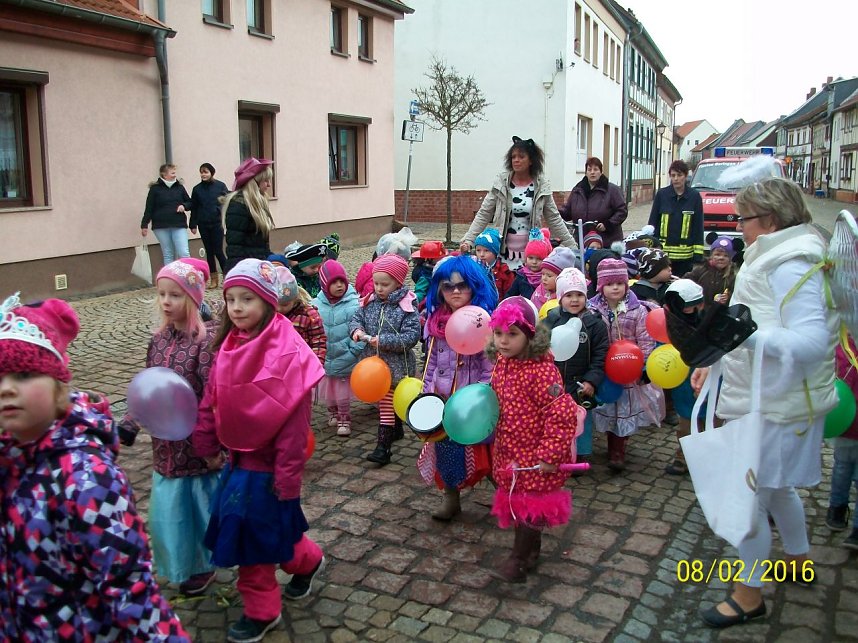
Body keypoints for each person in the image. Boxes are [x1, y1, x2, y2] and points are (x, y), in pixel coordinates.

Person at [690, 178, 838, 628]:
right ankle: (797, 558)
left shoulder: (792, 263)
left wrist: (746, 339)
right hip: (765, 396)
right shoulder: (774, 256)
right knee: (773, 487)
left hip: (775, 401)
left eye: (744, 218)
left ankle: (749, 594)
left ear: (770, 220)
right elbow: (752, 321)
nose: (738, 227)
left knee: (748, 494)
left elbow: (812, 340)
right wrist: (715, 362)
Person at [0, 293, 190, 640]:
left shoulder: (86, 476)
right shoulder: (9, 462)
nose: (7, 389)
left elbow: (128, 582)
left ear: (59, 387)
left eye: (24, 375)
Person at [193, 259, 326, 642]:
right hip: (237, 466)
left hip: (269, 470)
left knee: (257, 544)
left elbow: (293, 428)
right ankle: (309, 561)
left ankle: (262, 610)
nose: (236, 308)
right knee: (271, 537)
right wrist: (206, 443)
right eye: (230, 299)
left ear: (268, 302)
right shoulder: (229, 348)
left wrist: (287, 479)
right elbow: (212, 399)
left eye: (246, 299)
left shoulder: (289, 355)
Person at [117, 260, 221, 596]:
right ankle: (178, 561)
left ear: (192, 298)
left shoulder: (205, 343)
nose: (165, 301)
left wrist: (212, 445)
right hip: (165, 447)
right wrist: (130, 423)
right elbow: (150, 389)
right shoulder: (158, 340)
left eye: (174, 295)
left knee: (197, 511)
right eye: (161, 294)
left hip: (196, 447)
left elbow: (211, 397)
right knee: (169, 514)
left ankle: (204, 565)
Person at [485, 296, 580, 582]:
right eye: (499, 333)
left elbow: (561, 414)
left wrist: (549, 455)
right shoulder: (503, 363)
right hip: (510, 450)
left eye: (512, 334)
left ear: (529, 335)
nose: (503, 341)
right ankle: (531, 552)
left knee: (531, 506)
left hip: (536, 454)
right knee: (519, 505)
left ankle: (518, 561)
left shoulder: (541, 370)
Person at [416, 255, 497, 520]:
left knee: (488, 454)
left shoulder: (483, 322)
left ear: (474, 285)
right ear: (439, 289)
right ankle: (451, 498)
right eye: (449, 286)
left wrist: (481, 396)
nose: (456, 291)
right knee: (447, 453)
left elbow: (491, 367)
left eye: (463, 285)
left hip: (474, 405)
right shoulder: (435, 323)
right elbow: (430, 363)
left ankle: (506, 498)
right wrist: (427, 394)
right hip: (444, 402)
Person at [588, 258, 664, 470]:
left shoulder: (637, 310)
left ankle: (618, 450)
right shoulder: (593, 310)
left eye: (620, 283)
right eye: (610, 284)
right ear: (602, 286)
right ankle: (611, 440)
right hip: (604, 369)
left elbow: (646, 338)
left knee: (623, 410)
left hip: (629, 368)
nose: (615, 288)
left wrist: (645, 365)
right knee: (609, 407)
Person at [459, 137, 577, 270]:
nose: (516, 160)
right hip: (502, 254)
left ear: (531, 160)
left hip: (530, 257)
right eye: (513, 156)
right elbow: (484, 213)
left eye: (521, 157)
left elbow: (554, 218)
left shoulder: (541, 186)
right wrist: (468, 240)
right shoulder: (501, 183)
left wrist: (572, 246)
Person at [349, 254, 421, 465]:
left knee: (387, 403)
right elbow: (356, 318)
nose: (379, 288)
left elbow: (411, 336)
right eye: (376, 283)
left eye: (385, 284)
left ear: (398, 282)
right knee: (386, 403)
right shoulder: (370, 302)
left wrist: (382, 340)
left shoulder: (406, 307)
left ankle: (383, 448)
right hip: (372, 365)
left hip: (395, 366)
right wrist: (356, 330)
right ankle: (396, 429)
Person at [543, 268, 609, 463]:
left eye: (579, 295)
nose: (574, 300)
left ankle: (581, 452)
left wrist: (592, 380)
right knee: (555, 418)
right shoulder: (551, 320)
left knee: (581, 417)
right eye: (569, 295)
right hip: (555, 381)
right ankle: (558, 452)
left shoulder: (594, 324)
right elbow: (539, 348)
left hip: (581, 383)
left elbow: (601, 354)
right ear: (560, 296)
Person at [312, 260, 365, 436]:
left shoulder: (353, 304)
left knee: (342, 392)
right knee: (328, 390)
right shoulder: (316, 305)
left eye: (342, 281)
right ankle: (332, 412)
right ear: (325, 285)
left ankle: (344, 417)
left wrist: (353, 350)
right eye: (334, 282)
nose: (339, 285)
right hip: (326, 357)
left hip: (345, 356)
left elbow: (361, 328)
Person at [826, 333, 858, 550]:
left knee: (842, 467)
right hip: (847, 419)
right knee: (842, 467)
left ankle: (837, 511)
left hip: (846, 419)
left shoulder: (845, 340)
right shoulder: (845, 341)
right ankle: (842, 515)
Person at [647, 160, 704, 277]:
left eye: (679, 175)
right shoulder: (662, 195)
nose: (676, 179)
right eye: (673, 175)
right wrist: (652, 246)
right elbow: (653, 222)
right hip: (663, 254)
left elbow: (698, 225)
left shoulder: (694, 197)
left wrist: (698, 253)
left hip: (685, 257)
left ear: (686, 176)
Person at [560, 157, 628, 246]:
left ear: (601, 172)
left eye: (595, 169)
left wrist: (608, 224)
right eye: (589, 169)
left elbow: (622, 211)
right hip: (582, 241)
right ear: (586, 173)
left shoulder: (612, 190)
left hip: (607, 242)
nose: (592, 172)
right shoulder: (577, 190)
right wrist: (556, 213)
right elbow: (567, 211)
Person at [223, 158, 275, 273]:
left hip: (258, 266)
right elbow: (234, 247)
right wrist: (238, 274)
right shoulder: (238, 205)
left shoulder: (258, 204)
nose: (269, 185)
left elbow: (262, 245)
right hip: (246, 270)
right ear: (255, 182)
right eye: (265, 180)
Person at [141, 163, 193, 266]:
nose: (175, 175)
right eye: (172, 173)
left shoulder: (179, 187)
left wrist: (184, 206)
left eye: (175, 172)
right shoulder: (155, 189)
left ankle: (186, 277)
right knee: (168, 253)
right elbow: (149, 208)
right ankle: (169, 279)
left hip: (178, 224)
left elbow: (190, 202)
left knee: (184, 252)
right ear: (164, 175)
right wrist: (144, 224)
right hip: (161, 226)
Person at [274, 267, 326, 366]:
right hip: (278, 367)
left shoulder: (309, 315)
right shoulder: (268, 315)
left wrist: (316, 365)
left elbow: (318, 340)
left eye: (285, 305)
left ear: (295, 299)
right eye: (275, 304)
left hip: (303, 365)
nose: (279, 309)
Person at [190, 162, 229, 289]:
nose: (203, 174)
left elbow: (226, 200)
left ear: (212, 172)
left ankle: (227, 276)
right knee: (209, 251)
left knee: (218, 250)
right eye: (201, 172)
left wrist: (219, 210)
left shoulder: (220, 186)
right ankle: (214, 279)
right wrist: (193, 224)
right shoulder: (197, 189)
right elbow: (194, 207)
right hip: (203, 223)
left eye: (205, 172)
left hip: (217, 223)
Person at [685, 235, 739, 305]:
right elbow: (687, 283)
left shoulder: (731, 276)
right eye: (717, 254)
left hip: (719, 312)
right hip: (699, 311)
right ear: (711, 256)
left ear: (730, 259)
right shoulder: (700, 270)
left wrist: (728, 297)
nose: (721, 258)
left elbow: (736, 294)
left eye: (726, 255)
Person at [507, 228, 552, 299]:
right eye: (530, 258)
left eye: (539, 259)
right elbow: (510, 296)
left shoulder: (549, 276)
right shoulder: (521, 276)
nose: (534, 262)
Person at [531, 246, 578, 310]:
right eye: (543, 274)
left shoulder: (569, 294)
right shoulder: (539, 291)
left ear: (562, 278)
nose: (544, 278)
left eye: (549, 276)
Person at [474, 228, 514, 299]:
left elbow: (509, 295)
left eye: (486, 250)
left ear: (495, 252)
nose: (481, 254)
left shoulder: (504, 271)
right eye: (478, 250)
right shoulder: (474, 268)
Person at [411, 240, 448, 307]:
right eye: (440, 258)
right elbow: (420, 292)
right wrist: (414, 302)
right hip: (431, 305)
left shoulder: (443, 269)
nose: (443, 259)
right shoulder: (425, 277)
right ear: (430, 259)